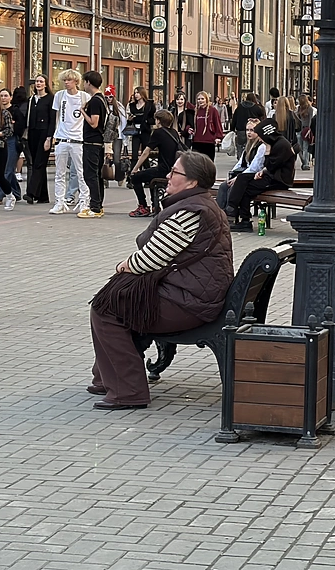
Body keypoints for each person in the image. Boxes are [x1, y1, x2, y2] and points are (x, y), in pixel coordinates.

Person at [88, 152, 234, 409]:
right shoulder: (200, 204)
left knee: (106, 309)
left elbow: (152, 259)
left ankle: (128, 390)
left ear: (191, 182)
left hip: (190, 303)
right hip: (194, 295)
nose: (168, 176)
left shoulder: (191, 212)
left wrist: (124, 266)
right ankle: (108, 378)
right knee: (117, 300)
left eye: (175, 172)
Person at [227, 119, 295, 231]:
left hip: (279, 180)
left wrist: (267, 151)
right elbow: (270, 167)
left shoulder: (281, 144)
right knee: (242, 178)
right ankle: (233, 210)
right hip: (271, 176)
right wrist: (262, 171)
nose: (260, 139)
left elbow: (272, 165)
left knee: (246, 189)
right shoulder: (275, 142)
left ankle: (240, 216)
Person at [49, 68, 91, 215]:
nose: (66, 83)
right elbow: (55, 117)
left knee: (80, 172)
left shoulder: (84, 97)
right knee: (59, 173)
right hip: (62, 138)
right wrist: (53, 135)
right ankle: (59, 202)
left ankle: (84, 201)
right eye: (64, 80)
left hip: (78, 139)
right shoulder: (59, 96)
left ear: (76, 82)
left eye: (69, 80)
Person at [127, 109, 182, 217]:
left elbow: (146, 152)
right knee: (151, 178)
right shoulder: (174, 132)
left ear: (158, 121)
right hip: (172, 169)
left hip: (163, 170)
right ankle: (154, 205)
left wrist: (135, 169)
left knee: (135, 178)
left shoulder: (158, 133)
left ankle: (142, 206)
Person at [217, 117, 267, 213]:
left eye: (252, 130)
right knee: (224, 186)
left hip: (255, 176)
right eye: (247, 130)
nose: (249, 133)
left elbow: (254, 167)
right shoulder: (248, 145)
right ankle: (219, 213)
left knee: (234, 188)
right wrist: (232, 174)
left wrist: (238, 178)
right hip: (244, 175)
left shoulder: (261, 146)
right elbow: (240, 163)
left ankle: (231, 214)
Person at [79, 70, 108, 218]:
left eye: (84, 82)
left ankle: (95, 207)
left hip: (92, 142)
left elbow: (94, 123)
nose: (83, 85)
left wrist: (82, 111)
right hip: (97, 142)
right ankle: (97, 205)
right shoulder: (101, 98)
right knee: (96, 175)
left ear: (89, 82)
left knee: (90, 175)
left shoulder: (96, 100)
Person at [23, 76, 54, 205]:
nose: (38, 84)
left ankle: (31, 192)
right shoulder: (31, 100)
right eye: (37, 81)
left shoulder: (50, 99)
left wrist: (49, 138)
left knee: (39, 164)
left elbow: (52, 120)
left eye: (41, 81)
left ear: (46, 84)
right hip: (32, 133)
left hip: (44, 133)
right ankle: (43, 196)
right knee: (37, 163)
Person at [0, 88, 22, 209]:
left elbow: (19, 126)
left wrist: (13, 124)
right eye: (1, 96)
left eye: (5, 95)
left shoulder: (14, 111)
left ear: (10, 97)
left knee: (7, 169)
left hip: (11, 141)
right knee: (6, 170)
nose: (3, 98)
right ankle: (16, 192)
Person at [189, 90, 224, 160]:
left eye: (202, 99)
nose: (200, 101)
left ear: (206, 99)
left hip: (209, 141)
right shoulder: (195, 111)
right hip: (197, 141)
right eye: (198, 99)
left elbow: (217, 123)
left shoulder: (213, 110)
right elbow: (190, 123)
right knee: (196, 164)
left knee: (208, 163)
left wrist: (219, 137)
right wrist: (189, 129)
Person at [126, 86, 156, 164]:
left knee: (145, 153)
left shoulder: (149, 105)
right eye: (135, 93)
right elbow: (129, 121)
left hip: (145, 131)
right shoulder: (132, 106)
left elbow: (153, 119)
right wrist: (129, 120)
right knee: (134, 154)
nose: (136, 95)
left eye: (138, 93)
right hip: (135, 131)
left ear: (142, 94)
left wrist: (146, 121)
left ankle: (146, 170)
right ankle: (133, 172)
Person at [295, 94, 315, 169]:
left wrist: (309, 129)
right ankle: (304, 162)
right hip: (301, 129)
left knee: (304, 147)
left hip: (305, 129)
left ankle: (305, 163)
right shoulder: (299, 109)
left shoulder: (309, 109)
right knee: (301, 148)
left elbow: (310, 120)